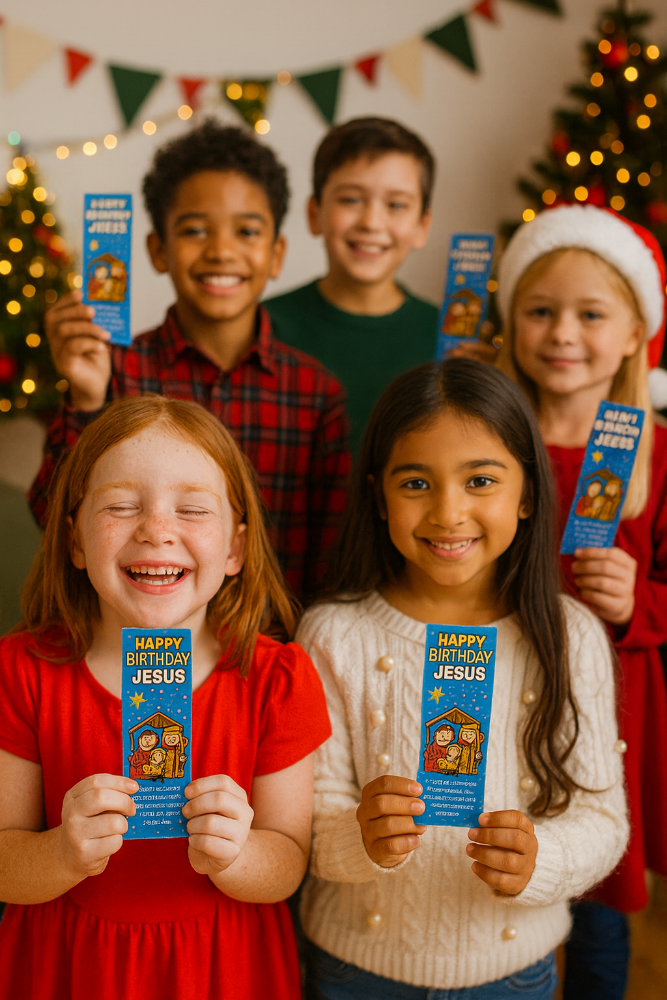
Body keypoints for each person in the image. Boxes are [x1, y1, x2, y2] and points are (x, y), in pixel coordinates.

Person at [296, 358, 628, 999]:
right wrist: (357, 836)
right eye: (416, 482)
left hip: (512, 972)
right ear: (377, 494)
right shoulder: (333, 636)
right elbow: (308, 825)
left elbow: (603, 819)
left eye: (480, 480)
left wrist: (544, 858)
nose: (449, 513)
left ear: (527, 493)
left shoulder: (569, 636)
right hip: (356, 969)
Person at [0, 394, 331, 999]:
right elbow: (4, 860)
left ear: (234, 548)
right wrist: (60, 854)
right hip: (68, 968)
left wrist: (239, 855)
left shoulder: (277, 678)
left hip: (221, 969)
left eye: (193, 510)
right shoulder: (22, 672)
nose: (157, 530)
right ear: (74, 542)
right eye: (122, 506)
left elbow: (288, 862)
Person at [30, 119, 351, 601]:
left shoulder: (315, 392)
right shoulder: (116, 372)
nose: (222, 251)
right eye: (195, 230)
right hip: (133, 648)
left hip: (265, 652)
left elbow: (330, 559)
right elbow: (52, 520)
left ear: (277, 253)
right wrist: (86, 398)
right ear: (158, 250)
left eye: (246, 231)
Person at [493, 203, 667, 1000]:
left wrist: (639, 606)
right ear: (512, 323)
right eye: (540, 311)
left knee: (597, 912)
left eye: (589, 314)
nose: (562, 332)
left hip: (613, 720)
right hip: (500, 695)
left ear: (633, 333)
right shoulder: (489, 439)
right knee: (502, 871)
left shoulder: (655, 456)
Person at [264, 117, 438, 453]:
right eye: (351, 200)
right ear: (315, 213)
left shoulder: (446, 338)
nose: (372, 223)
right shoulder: (266, 325)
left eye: (396, 205)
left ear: (422, 225)